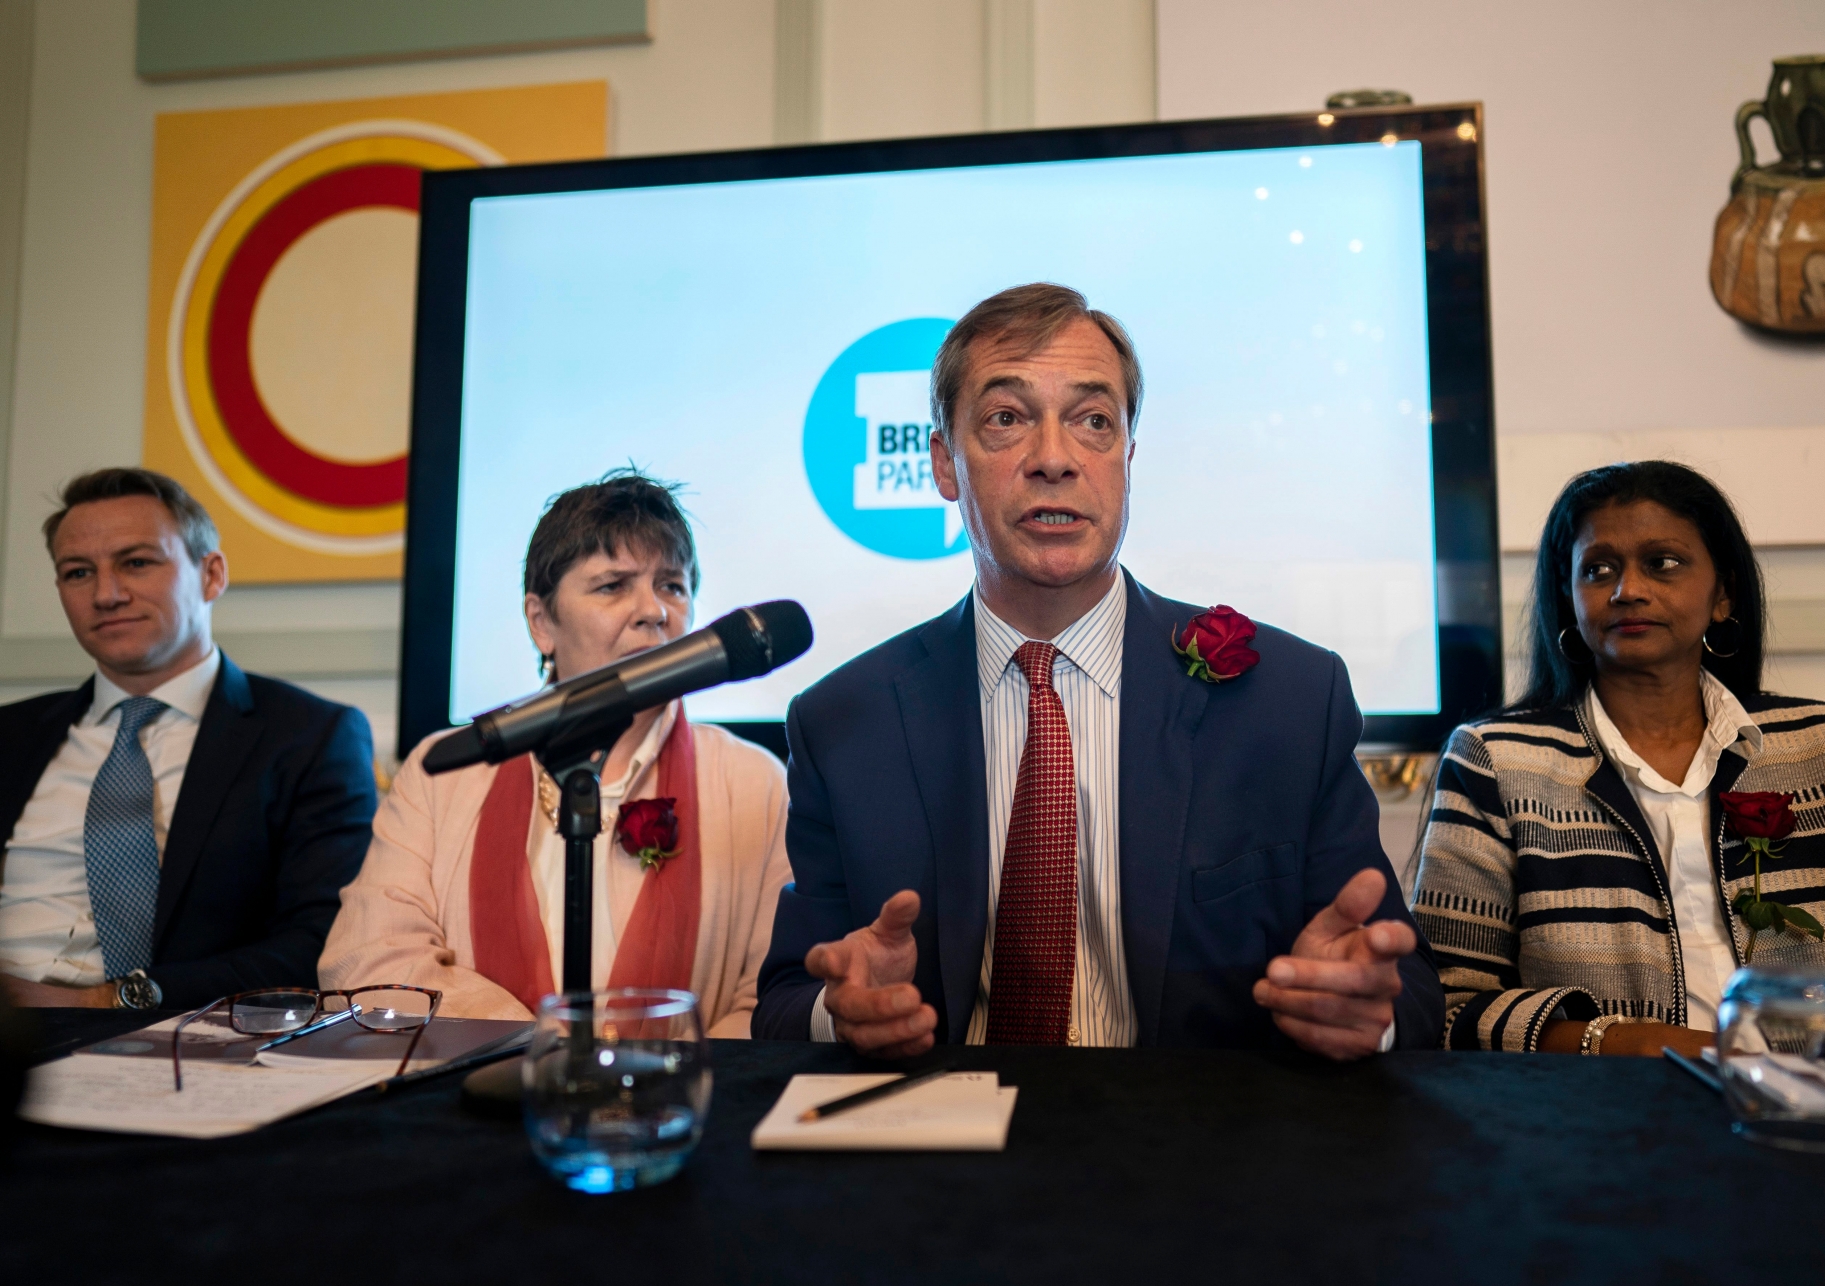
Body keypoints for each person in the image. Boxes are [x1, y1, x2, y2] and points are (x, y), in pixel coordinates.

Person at [755, 283, 1442, 1057]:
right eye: (1007, 419)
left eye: (1093, 422)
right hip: (937, 1150)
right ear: (945, 464)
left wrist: (1359, 1010)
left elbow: (1411, 994)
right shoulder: (847, 722)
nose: (1054, 459)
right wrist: (840, 1009)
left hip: (1193, 1153)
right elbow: (783, 1004)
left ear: (1126, 459)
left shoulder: (1286, 699)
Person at [1412, 460, 1825, 1061]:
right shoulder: (1497, 761)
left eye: (1662, 563)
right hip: (1603, 1129)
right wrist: (1628, 1042)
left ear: (1724, 595)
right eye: (1598, 569)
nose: (1627, 589)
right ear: (1569, 598)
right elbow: (1443, 1007)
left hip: (1817, 1121)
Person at [320, 471, 789, 1034]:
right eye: (613, 585)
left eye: (673, 585)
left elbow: (770, 994)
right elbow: (367, 963)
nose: (654, 611)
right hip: (477, 1107)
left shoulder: (753, 781)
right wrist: (542, 1053)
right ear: (542, 623)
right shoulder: (442, 771)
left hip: (683, 1110)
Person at [0, 468, 377, 1011]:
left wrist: (111, 1000)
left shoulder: (310, 736)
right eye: (79, 572)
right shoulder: (9, 739)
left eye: (136, 563)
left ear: (211, 574)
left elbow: (319, 945)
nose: (106, 594)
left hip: (173, 1038)